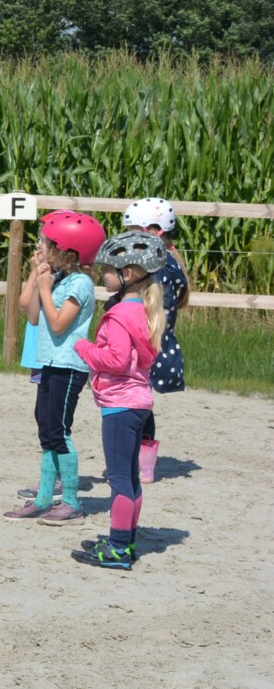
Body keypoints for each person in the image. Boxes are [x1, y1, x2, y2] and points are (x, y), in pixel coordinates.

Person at [72, 231, 167, 571]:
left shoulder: (118, 316)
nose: (103, 276)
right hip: (139, 404)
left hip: (120, 406)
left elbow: (113, 360)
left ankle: (116, 548)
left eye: (107, 271)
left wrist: (83, 348)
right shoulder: (142, 311)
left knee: (119, 479)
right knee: (130, 477)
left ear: (127, 275)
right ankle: (125, 538)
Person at [4, 211, 103, 525]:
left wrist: (46, 289)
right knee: (46, 430)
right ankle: (44, 498)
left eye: (45, 243)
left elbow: (59, 324)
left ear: (66, 249)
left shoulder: (81, 283)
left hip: (68, 366)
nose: (39, 247)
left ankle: (71, 501)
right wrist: (37, 277)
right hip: (48, 363)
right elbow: (33, 317)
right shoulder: (56, 278)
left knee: (59, 432)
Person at [122, 198, 187, 483]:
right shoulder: (170, 260)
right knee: (143, 402)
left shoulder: (154, 263)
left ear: (152, 230)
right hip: (159, 340)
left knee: (136, 404)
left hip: (144, 341)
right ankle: (143, 463)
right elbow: (180, 297)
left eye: (134, 230)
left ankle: (138, 461)